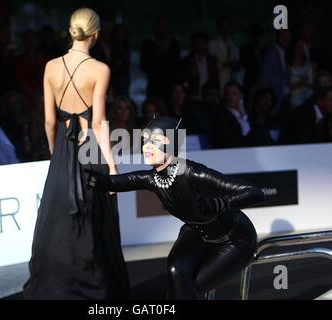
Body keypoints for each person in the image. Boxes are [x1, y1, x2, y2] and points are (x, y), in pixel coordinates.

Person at [86, 116, 264, 299]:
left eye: (155, 141)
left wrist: (218, 203)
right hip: (197, 233)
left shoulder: (192, 172)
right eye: (145, 140)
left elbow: (255, 193)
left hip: (235, 239)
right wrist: (99, 180)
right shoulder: (152, 178)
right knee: (175, 272)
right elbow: (121, 182)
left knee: (190, 286)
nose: (146, 146)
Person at [23, 8, 129, 300]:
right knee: (93, 218)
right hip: (91, 148)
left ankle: (59, 287)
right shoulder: (100, 69)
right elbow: (98, 123)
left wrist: (57, 152)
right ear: (95, 34)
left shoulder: (50, 66)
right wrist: (113, 167)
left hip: (63, 151)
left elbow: (48, 120)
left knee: (59, 221)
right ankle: (94, 287)